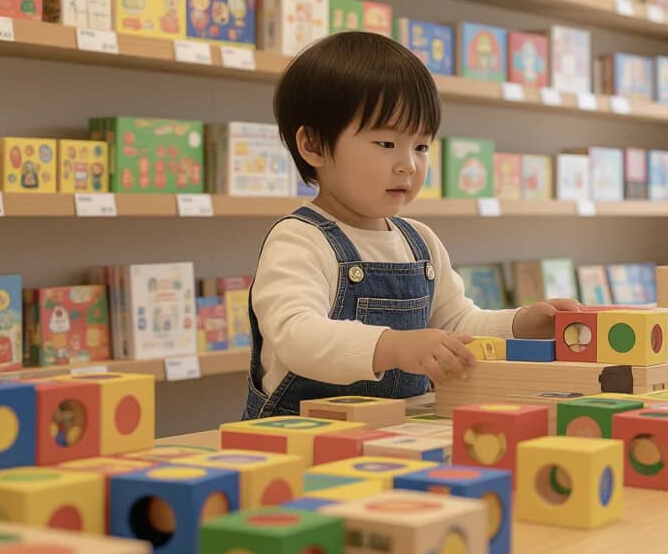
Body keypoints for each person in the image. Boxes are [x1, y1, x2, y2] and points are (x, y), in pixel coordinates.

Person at [242, 31, 578, 419]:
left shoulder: (419, 241)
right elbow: (297, 337)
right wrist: (395, 347)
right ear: (314, 146)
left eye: (420, 146)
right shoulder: (299, 240)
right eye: (387, 144)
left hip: (398, 433)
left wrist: (520, 324)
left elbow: (458, 324)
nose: (409, 165)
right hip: (301, 436)